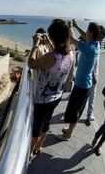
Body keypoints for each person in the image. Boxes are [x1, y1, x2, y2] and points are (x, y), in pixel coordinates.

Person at [29, 19, 74, 157]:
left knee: (37, 127)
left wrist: (35, 45)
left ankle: (28, 153)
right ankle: (38, 147)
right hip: (56, 96)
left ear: (54, 36)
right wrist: (49, 42)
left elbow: (31, 63)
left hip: (42, 99)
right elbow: (57, 56)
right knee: (46, 122)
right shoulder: (71, 54)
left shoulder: (50, 57)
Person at [57, 21, 102, 141]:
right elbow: (84, 35)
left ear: (91, 33)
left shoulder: (88, 48)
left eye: (87, 31)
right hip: (84, 85)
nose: (85, 32)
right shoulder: (95, 45)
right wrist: (76, 26)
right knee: (75, 109)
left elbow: (72, 39)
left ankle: (68, 135)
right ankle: (69, 130)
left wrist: (66, 27)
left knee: (74, 111)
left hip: (82, 86)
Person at [85, 25, 105, 126]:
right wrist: (94, 75)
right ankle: (88, 115)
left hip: (93, 75)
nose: (104, 36)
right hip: (92, 76)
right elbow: (92, 62)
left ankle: (89, 114)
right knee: (89, 95)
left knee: (91, 96)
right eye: (103, 34)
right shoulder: (93, 44)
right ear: (98, 34)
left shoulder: (97, 44)